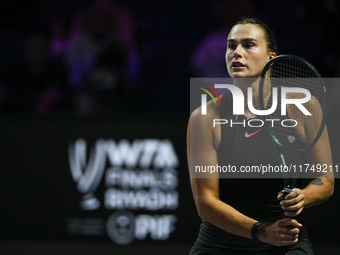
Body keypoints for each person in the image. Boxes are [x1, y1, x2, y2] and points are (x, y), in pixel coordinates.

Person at [187, 17, 334, 254]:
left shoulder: (303, 106)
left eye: (248, 45)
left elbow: (325, 181)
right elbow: (206, 203)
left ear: (271, 57)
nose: (237, 52)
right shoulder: (204, 117)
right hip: (219, 245)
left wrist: (303, 196)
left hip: (286, 242)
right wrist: (263, 231)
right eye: (231, 45)